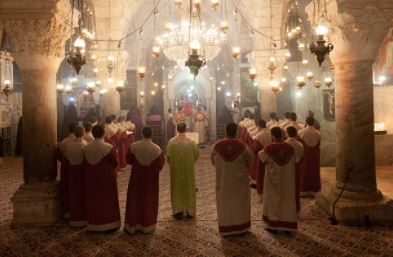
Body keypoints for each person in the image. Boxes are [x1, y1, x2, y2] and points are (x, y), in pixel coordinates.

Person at [211, 123, 254, 236]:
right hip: (239, 182)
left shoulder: (216, 146)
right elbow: (251, 160)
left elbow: (213, 161)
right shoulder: (243, 146)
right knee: (239, 202)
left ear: (226, 131)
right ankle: (241, 227)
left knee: (225, 202)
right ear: (236, 131)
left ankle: (226, 227)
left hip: (223, 180)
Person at [124, 127, 165, 234]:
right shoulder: (156, 149)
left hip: (136, 178)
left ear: (142, 134)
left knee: (135, 199)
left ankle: (133, 225)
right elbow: (160, 165)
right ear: (151, 134)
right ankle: (147, 225)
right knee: (148, 200)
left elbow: (128, 159)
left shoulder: (134, 146)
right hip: (150, 180)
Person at [258, 127, 298, 233]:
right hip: (287, 179)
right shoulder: (290, 148)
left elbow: (261, 157)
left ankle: (273, 225)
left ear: (272, 135)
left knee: (272, 200)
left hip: (272, 180)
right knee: (287, 200)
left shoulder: (269, 148)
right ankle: (287, 225)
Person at [84, 125, 121, 232]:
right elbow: (115, 162)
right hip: (106, 177)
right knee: (107, 199)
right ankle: (109, 223)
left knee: (93, 199)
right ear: (103, 133)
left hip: (91, 177)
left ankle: (93, 223)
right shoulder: (108, 147)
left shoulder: (87, 147)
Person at [166, 122, 200, 219]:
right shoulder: (191, 142)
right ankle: (189, 211)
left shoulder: (171, 142)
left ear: (177, 129)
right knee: (189, 188)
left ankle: (178, 211)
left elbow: (168, 157)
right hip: (188, 171)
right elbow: (197, 154)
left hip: (175, 171)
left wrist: (173, 164)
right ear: (186, 129)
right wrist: (190, 162)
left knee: (176, 188)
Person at [64, 126, 87, 227]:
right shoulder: (84, 145)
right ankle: (82, 217)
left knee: (73, 193)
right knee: (82, 193)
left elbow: (66, 157)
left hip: (72, 170)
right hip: (82, 171)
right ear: (83, 134)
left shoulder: (68, 145)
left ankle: (73, 217)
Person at [57, 122, 77, 219]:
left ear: (69, 130)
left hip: (66, 167)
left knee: (67, 186)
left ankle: (67, 210)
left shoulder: (64, 142)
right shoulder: (82, 141)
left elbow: (59, 154)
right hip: (78, 168)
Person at [298, 117, 321, 197]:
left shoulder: (301, 132)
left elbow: (299, 145)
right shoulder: (318, 132)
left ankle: (304, 190)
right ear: (313, 122)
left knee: (304, 171)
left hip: (305, 154)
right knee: (314, 171)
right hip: (315, 154)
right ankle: (314, 190)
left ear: (306, 122)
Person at [286, 126, 304, 213]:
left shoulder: (285, 144)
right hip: (296, 168)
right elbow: (301, 157)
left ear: (287, 133)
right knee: (295, 188)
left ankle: (287, 209)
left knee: (286, 188)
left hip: (286, 168)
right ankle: (296, 209)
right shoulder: (300, 145)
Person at [251, 119, 272, 195]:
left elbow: (255, 148)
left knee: (260, 172)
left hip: (261, 156)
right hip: (270, 155)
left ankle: (260, 186)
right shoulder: (270, 132)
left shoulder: (259, 135)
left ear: (259, 126)